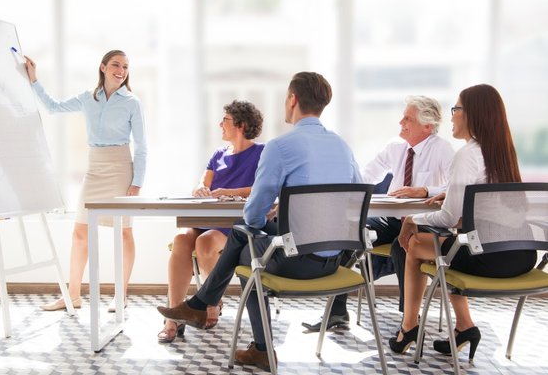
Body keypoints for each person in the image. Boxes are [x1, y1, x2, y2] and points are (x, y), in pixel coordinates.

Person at [157, 71, 362, 371]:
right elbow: (353, 202)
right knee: (246, 238)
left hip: (295, 260)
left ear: (292, 99)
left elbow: (253, 215)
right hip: (335, 261)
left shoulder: (280, 147)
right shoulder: (343, 147)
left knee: (246, 242)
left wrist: (269, 213)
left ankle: (232, 326)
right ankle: (205, 308)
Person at [390, 84, 536, 361]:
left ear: (472, 115)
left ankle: (408, 328)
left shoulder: (467, 154)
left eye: (456, 109)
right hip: (523, 255)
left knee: (414, 244)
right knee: (444, 250)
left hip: (489, 258)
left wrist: (411, 218)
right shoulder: (502, 152)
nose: (452, 116)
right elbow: (478, 205)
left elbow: (447, 217)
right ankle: (464, 326)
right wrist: (454, 198)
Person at [302, 96, 454, 332]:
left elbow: (456, 188)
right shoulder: (395, 146)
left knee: (405, 246)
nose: (401, 121)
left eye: (408, 118)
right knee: (350, 233)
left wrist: (425, 190)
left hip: (424, 223)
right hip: (393, 220)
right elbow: (366, 177)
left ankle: (409, 323)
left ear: (427, 125)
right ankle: (337, 312)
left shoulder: (443, 149)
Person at [23, 50, 147, 312]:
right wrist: (34, 80)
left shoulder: (132, 102)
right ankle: (73, 295)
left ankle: (121, 295)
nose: (121, 70)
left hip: (121, 168)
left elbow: (142, 146)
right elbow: (54, 107)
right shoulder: (88, 98)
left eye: (125, 66)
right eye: (115, 64)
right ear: (102, 67)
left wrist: (137, 182)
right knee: (80, 232)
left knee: (124, 233)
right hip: (95, 168)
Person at [158, 100, 265, 343]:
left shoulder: (261, 152)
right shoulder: (218, 154)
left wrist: (230, 191)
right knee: (181, 239)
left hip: (234, 223)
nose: (220, 124)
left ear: (241, 124)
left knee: (205, 243)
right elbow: (202, 182)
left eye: (225, 120)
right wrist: (200, 190)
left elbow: (263, 187)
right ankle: (173, 316)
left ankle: (210, 302)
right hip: (205, 216)